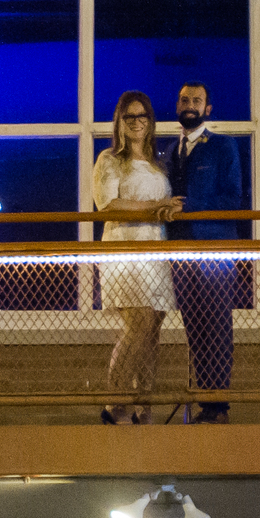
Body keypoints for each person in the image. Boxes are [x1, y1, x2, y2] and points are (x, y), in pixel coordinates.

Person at [92, 91, 181, 424]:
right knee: (139, 324)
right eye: (129, 117)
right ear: (119, 121)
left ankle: (145, 407)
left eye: (142, 116)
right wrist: (154, 209)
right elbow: (107, 204)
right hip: (124, 252)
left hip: (157, 254)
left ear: (151, 120)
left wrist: (171, 211)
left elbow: (166, 206)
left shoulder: (159, 163)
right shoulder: (110, 160)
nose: (136, 122)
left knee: (153, 329)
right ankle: (116, 403)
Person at [164, 82, 246, 423]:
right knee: (195, 328)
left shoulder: (224, 147)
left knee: (217, 327)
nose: (190, 105)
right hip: (181, 252)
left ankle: (218, 407)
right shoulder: (170, 150)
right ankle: (205, 402)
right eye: (184, 99)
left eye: (197, 100)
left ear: (208, 109)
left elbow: (232, 199)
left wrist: (192, 207)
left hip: (214, 250)